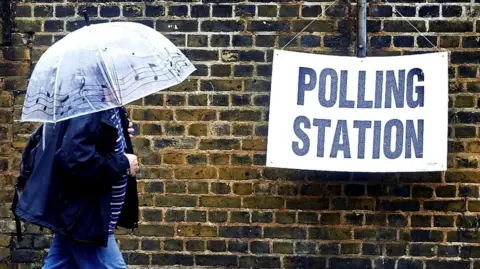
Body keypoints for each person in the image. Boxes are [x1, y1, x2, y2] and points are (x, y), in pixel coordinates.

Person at [15, 106, 140, 269]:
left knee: (59, 263)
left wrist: (119, 130)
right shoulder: (88, 106)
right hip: (86, 217)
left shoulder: (106, 106)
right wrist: (123, 163)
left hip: (83, 216)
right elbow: (75, 158)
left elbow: (93, 142)